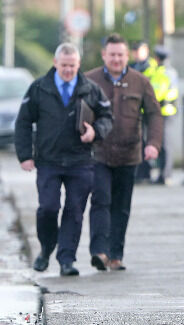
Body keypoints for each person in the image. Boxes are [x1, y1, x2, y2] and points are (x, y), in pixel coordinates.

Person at [14, 43, 113, 276]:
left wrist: (95, 132)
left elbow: (107, 117)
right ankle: (46, 248)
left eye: (72, 66)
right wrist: (25, 155)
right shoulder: (39, 88)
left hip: (80, 160)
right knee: (48, 208)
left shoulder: (90, 89)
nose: (68, 70)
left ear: (78, 65)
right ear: (55, 63)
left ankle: (67, 259)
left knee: (75, 210)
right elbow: (24, 122)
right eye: (64, 65)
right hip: (49, 160)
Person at [86, 33, 163, 271]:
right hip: (98, 152)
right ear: (104, 55)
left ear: (126, 55)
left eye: (120, 54)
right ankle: (99, 251)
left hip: (129, 154)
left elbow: (154, 113)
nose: (116, 59)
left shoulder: (140, 81)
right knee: (100, 200)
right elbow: (80, 112)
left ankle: (116, 254)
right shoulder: (90, 80)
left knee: (121, 205)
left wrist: (153, 143)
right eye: (112, 55)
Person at [145, 45, 179, 185]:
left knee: (165, 144)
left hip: (165, 112)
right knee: (159, 144)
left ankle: (165, 174)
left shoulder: (166, 73)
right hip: (157, 112)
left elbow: (165, 92)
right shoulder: (156, 71)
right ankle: (162, 173)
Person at [129, 41, 156, 184]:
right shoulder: (131, 67)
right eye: (134, 51)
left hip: (148, 110)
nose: (136, 54)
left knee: (147, 142)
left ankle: (146, 172)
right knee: (136, 142)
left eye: (138, 50)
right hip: (134, 110)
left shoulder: (151, 67)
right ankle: (138, 172)